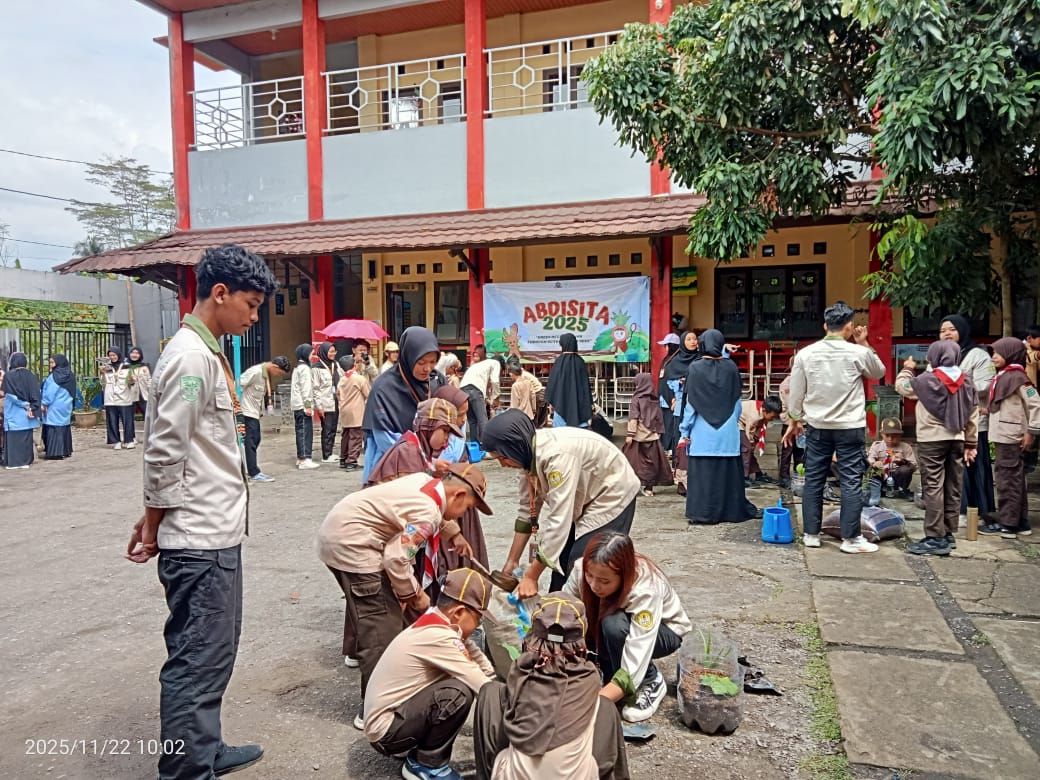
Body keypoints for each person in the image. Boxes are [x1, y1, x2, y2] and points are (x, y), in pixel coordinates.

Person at [125, 243, 278, 779]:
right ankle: (186, 771)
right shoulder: (192, 357)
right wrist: (152, 523)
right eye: (251, 305)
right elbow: (165, 449)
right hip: (199, 541)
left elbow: (184, 453)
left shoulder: (202, 350)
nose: (253, 317)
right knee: (196, 660)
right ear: (220, 293)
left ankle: (205, 749)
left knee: (213, 651)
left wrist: (152, 518)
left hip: (213, 531)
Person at [315, 465, 489, 730]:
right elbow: (397, 558)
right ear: (458, 495)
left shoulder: (425, 482)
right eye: (466, 508)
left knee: (382, 611)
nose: (464, 514)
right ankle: (375, 710)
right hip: (354, 546)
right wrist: (415, 593)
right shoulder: (428, 513)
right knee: (381, 628)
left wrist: (453, 532)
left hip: (339, 534)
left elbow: (426, 515)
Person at [473, 591, 630, 780]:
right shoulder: (589, 681)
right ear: (580, 644)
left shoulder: (520, 676)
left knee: (491, 692)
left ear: (531, 640)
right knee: (604, 706)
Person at [482, 409, 641, 596]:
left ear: (514, 446)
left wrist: (532, 576)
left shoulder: (556, 456)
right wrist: (512, 561)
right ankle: (555, 615)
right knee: (561, 567)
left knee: (582, 565)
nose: (502, 464)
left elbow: (559, 520)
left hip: (612, 495)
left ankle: (588, 621)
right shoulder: (525, 454)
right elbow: (527, 510)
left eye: (502, 457)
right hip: (584, 499)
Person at [365, 568, 497, 780]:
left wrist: (497, 684)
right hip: (385, 730)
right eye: (478, 619)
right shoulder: (439, 637)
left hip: (393, 714)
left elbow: (483, 668)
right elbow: (483, 686)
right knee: (458, 693)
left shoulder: (438, 621)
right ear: (459, 612)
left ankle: (415, 743)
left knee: (458, 682)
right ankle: (426, 764)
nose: (478, 625)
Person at [783, 302, 887, 554]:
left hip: (817, 425)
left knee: (814, 479)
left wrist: (794, 419)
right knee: (850, 480)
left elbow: (796, 390)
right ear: (850, 326)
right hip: (849, 426)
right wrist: (863, 342)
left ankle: (811, 534)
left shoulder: (806, 354)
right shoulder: (857, 353)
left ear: (825, 326)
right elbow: (879, 370)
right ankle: (850, 538)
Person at [565, 532, 691, 724]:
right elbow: (564, 611)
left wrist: (588, 708)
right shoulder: (580, 569)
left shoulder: (646, 588)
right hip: (617, 625)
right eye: (589, 576)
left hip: (664, 632)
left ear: (624, 574)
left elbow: (638, 648)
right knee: (586, 618)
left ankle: (650, 680)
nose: (594, 585)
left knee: (613, 624)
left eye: (605, 581)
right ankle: (611, 675)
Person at [895, 341, 978, 555]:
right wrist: (971, 442)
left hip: (932, 439)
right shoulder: (966, 381)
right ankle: (948, 533)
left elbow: (902, 387)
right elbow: (973, 413)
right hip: (957, 438)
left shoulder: (926, 381)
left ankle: (934, 536)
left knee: (933, 486)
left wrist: (907, 369)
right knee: (953, 485)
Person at [679, 329, 760, 525]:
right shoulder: (731, 367)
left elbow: (691, 405)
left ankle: (703, 514)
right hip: (727, 433)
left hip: (702, 433)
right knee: (727, 477)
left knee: (704, 478)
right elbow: (737, 402)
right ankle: (730, 512)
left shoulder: (695, 369)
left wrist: (684, 431)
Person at [361, 326, 441, 484]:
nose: (427, 368)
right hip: (393, 466)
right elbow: (384, 438)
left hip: (434, 466)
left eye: (433, 362)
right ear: (408, 357)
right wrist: (423, 460)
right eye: (421, 362)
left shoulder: (437, 381)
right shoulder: (384, 388)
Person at [979, 337, 1040, 538]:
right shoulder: (1005, 376)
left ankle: (1008, 524)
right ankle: (1019, 522)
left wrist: (1031, 431)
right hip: (1005, 433)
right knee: (1013, 478)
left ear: (1010, 353)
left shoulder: (1018, 378)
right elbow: (1008, 406)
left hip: (1011, 436)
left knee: (1007, 480)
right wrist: (988, 411)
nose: (994, 357)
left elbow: (1035, 404)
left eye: (998, 353)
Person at [940, 315, 996, 524]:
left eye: (951, 329)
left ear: (962, 331)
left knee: (974, 468)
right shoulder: (937, 355)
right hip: (946, 424)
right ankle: (955, 511)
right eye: (943, 330)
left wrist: (954, 382)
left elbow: (985, 385)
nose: (946, 333)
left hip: (972, 423)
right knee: (952, 470)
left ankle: (977, 512)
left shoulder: (977, 355)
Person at [434, 386, 491, 573]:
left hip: (462, 504)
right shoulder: (431, 440)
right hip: (441, 504)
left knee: (467, 547)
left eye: (466, 413)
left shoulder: (458, 439)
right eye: (460, 414)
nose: (464, 419)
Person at [661, 330, 701, 495]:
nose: (693, 342)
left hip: (697, 407)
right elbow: (663, 383)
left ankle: (697, 479)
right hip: (679, 408)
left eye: (695, 339)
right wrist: (672, 397)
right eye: (689, 339)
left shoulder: (701, 360)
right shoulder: (673, 363)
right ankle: (682, 483)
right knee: (681, 444)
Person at [238, 355, 290, 482]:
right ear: (275, 367)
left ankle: (250, 468)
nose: (278, 375)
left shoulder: (264, 374)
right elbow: (238, 385)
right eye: (279, 372)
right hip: (246, 411)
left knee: (256, 439)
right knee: (251, 441)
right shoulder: (255, 372)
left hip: (254, 412)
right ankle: (253, 472)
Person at [622, 372, 672, 497]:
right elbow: (660, 418)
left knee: (633, 461)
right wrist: (659, 432)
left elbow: (633, 418)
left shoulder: (636, 399)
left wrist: (630, 434)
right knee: (652, 462)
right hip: (653, 436)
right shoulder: (654, 399)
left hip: (638, 437)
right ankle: (649, 489)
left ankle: (634, 485)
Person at [864, 418, 918, 504]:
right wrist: (874, 463)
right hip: (882, 476)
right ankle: (876, 490)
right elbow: (870, 458)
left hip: (897, 478)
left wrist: (902, 461)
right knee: (871, 469)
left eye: (894, 435)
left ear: (900, 435)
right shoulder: (876, 446)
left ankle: (902, 490)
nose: (890, 438)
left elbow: (914, 466)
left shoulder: (906, 447)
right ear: (882, 434)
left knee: (905, 469)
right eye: (887, 435)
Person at [2, 352, 41, 469]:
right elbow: (36, 393)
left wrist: (23, 404)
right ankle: (26, 462)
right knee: (26, 438)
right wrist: (31, 406)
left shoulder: (9, 376)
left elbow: (9, 395)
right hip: (27, 414)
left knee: (13, 439)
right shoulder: (31, 375)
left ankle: (13, 463)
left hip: (14, 413)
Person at [545, 333, 592, 428]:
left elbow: (552, 385)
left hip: (560, 404)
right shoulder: (580, 362)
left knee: (561, 438)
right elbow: (585, 386)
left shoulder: (559, 362)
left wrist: (551, 403)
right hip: (580, 408)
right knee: (580, 438)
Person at [460, 344, 502, 444]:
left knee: (472, 421)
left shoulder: (476, 366)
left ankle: (475, 447)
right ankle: (486, 447)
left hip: (462, 390)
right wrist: (496, 397)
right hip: (474, 390)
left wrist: (488, 398)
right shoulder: (495, 363)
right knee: (482, 420)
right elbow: (495, 381)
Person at [739, 396, 783, 487]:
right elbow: (749, 432)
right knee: (746, 449)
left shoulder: (762, 413)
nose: (773, 419)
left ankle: (758, 474)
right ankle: (744, 478)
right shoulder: (754, 415)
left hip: (746, 424)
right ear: (764, 411)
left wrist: (756, 440)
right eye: (773, 416)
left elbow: (758, 431)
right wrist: (751, 443)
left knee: (749, 450)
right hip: (738, 423)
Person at [337, 354, 371, 471]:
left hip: (344, 410)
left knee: (345, 435)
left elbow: (338, 394)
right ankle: (351, 461)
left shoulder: (342, 379)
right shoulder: (360, 379)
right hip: (356, 411)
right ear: (355, 365)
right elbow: (369, 394)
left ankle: (343, 459)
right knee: (356, 437)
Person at [40, 353, 76, 460]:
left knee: (53, 427)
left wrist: (44, 403)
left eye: (52, 362)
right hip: (65, 405)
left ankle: (55, 452)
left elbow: (50, 392)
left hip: (54, 406)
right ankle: (65, 450)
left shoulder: (54, 376)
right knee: (64, 426)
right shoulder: (70, 375)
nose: (50, 365)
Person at [290, 343, 320, 469]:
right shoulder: (305, 369)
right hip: (303, 405)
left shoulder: (298, 367)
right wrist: (308, 406)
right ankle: (304, 458)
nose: (313, 356)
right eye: (311, 354)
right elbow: (306, 389)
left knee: (300, 431)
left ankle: (300, 457)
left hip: (297, 404)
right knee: (304, 432)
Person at [101, 347, 135, 449]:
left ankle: (129, 440)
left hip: (124, 396)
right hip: (110, 398)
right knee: (112, 420)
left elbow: (132, 382)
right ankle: (115, 441)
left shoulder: (127, 366)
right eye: (110, 355)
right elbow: (103, 384)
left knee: (127, 420)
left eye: (114, 355)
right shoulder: (106, 367)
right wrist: (102, 374)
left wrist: (131, 380)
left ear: (118, 355)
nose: (112, 357)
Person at [313, 342, 340, 463]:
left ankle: (330, 452)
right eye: (330, 351)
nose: (333, 354)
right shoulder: (316, 368)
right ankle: (326, 454)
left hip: (335, 401)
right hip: (325, 403)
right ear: (324, 352)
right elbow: (315, 389)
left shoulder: (336, 365)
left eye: (334, 351)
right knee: (327, 429)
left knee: (333, 428)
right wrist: (319, 406)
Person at [656, 333, 682, 454]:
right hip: (665, 399)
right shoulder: (668, 359)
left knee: (670, 424)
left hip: (672, 399)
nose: (665, 348)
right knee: (666, 423)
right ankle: (666, 447)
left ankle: (670, 447)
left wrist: (671, 398)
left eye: (666, 345)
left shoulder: (675, 361)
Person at [506, 357, 545, 424]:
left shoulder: (518, 382)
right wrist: (533, 410)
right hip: (538, 394)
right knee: (536, 421)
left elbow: (515, 402)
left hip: (538, 393)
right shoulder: (523, 377)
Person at [126, 345, 152, 425]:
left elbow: (149, 380)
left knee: (149, 417)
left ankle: (150, 435)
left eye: (137, 353)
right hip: (130, 396)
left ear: (140, 355)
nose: (134, 355)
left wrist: (151, 393)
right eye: (132, 353)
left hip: (144, 395)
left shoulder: (144, 367)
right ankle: (130, 436)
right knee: (129, 419)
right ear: (129, 354)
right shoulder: (125, 367)